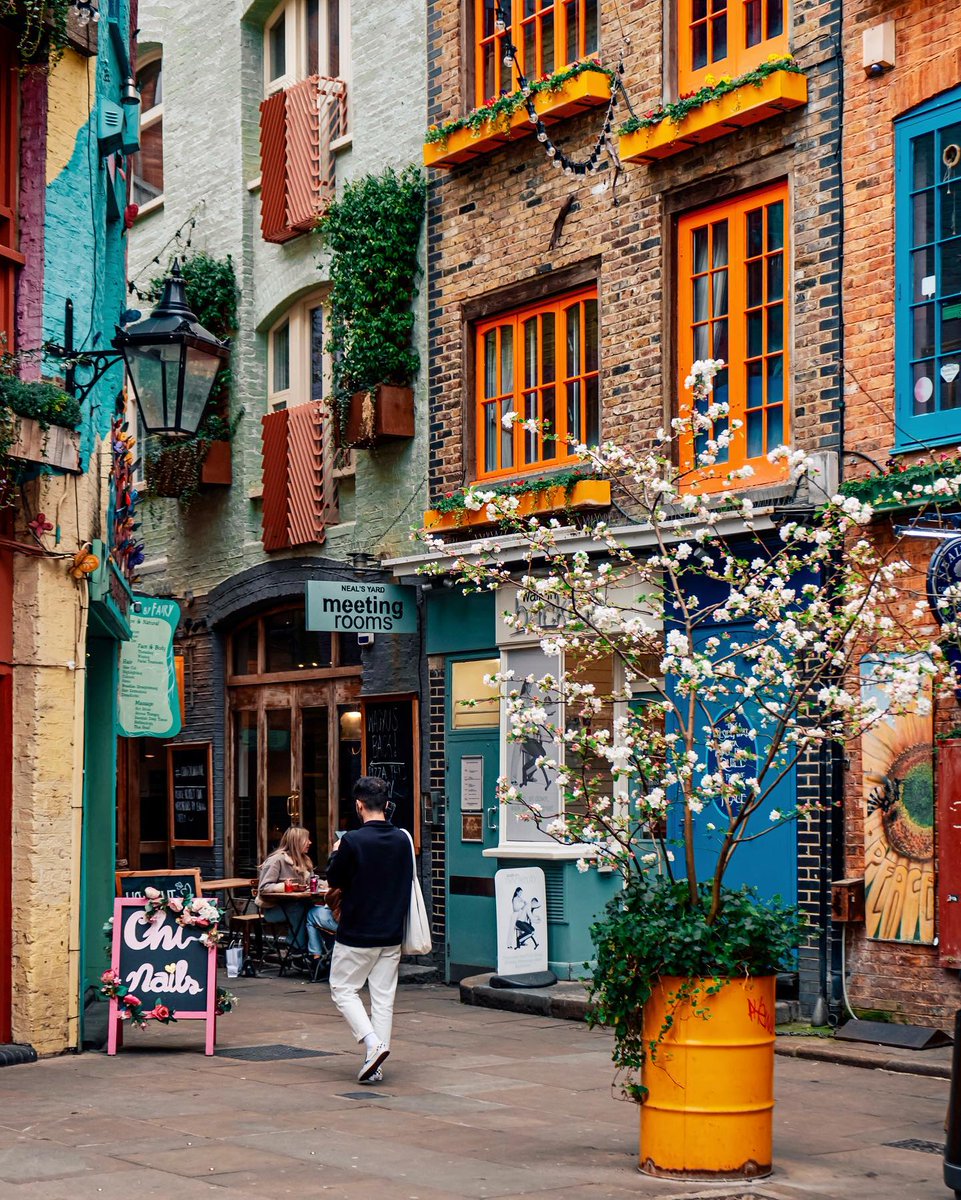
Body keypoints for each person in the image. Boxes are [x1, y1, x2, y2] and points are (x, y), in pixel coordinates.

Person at [325, 775, 413, 1084]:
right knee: (383, 999)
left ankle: (372, 1043)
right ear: (386, 805)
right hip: (391, 931)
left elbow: (334, 878)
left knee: (342, 988)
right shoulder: (403, 839)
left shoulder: (352, 841)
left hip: (358, 931)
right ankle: (375, 1065)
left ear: (359, 805)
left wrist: (336, 851)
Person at [256, 826, 335, 960]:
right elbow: (264, 888)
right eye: (306, 839)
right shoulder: (276, 860)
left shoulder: (304, 860)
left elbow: (312, 881)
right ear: (296, 841)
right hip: (273, 910)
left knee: (315, 911)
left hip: (298, 906)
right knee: (299, 909)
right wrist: (286, 887)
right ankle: (297, 951)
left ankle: (318, 952)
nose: (310, 842)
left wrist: (329, 884)